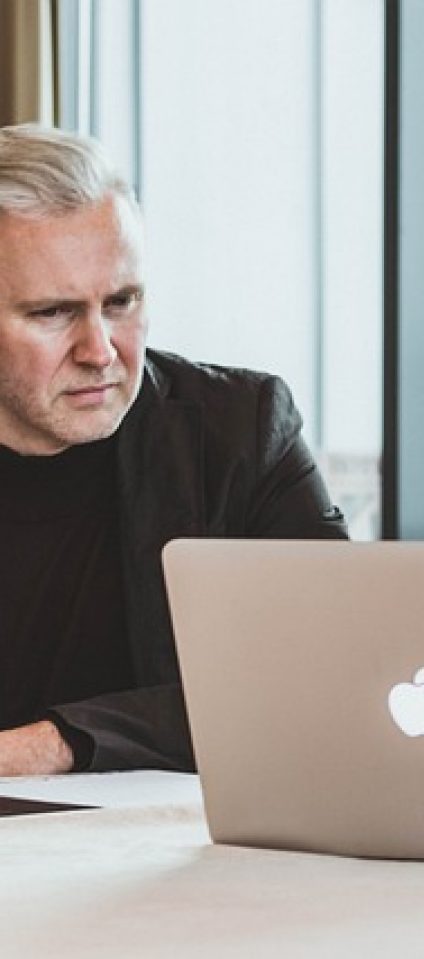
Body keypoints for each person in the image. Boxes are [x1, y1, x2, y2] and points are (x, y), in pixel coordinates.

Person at [0, 124, 348, 775]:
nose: (101, 350)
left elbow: (326, 673)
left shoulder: (242, 429)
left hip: (170, 847)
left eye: (122, 301)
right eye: (52, 312)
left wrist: (52, 744)